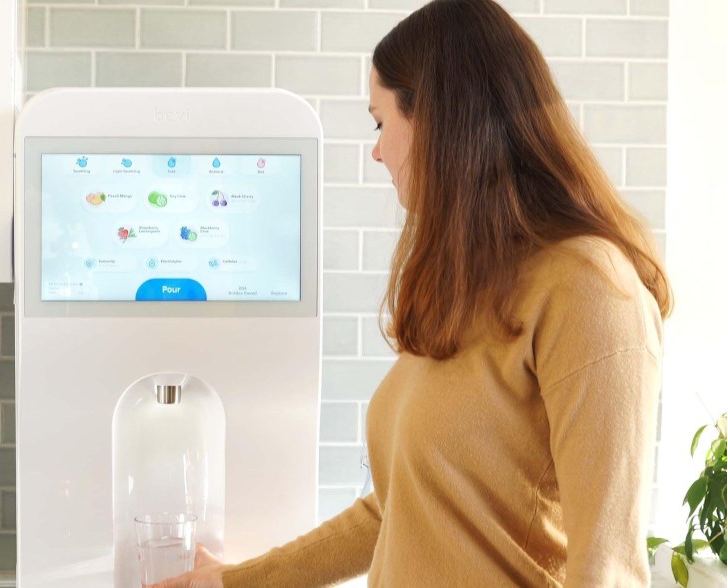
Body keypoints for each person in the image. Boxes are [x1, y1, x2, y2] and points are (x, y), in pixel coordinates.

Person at [155, 0, 672, 586]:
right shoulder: (474, 287)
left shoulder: (593, 291)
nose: (376, 150)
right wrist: (229, 581)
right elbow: (393, 510)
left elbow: (607, 569)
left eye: (380, 122)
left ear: (438, 120)